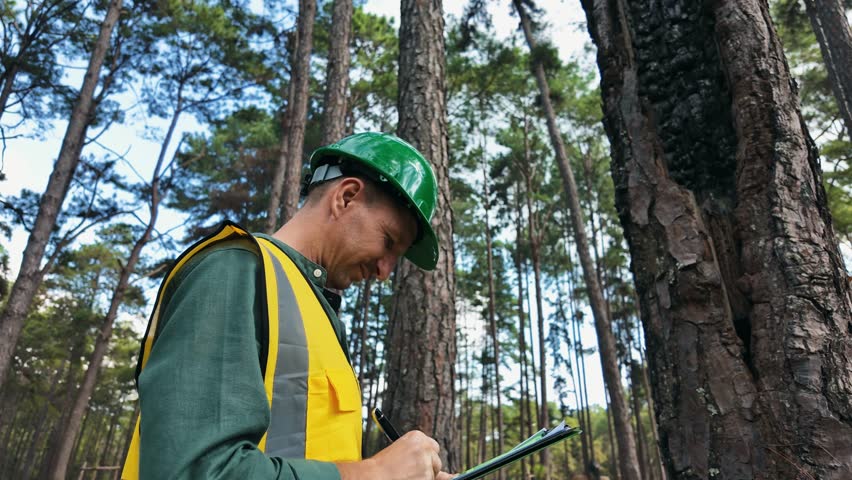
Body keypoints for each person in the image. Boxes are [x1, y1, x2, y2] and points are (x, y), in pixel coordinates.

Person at [121, 133, 454, 480]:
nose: (385, 271)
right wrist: (375, 474)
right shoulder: (235, 270)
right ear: (347, 196)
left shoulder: (314, 313)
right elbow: (192, 471)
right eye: (388, 242)